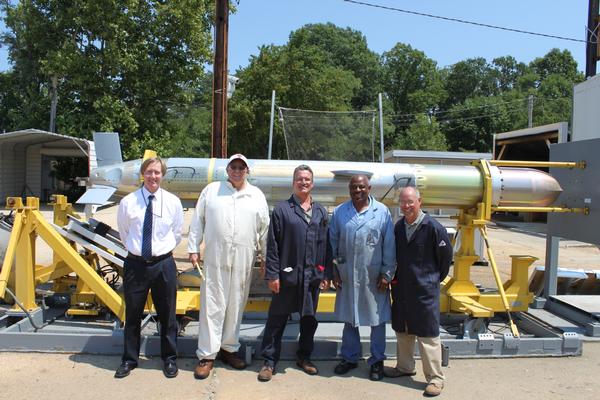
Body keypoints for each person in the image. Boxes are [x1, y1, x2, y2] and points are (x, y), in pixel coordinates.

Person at [188, 153, 270, 380]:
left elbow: (264, 229)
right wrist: (193, 248)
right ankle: (207, 355)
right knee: (212, 304)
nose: (237, 170)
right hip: (215, 255)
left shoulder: (256, 195)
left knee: (236, 303)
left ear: (247, 171)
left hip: (244, 256)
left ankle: (228, 349)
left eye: (241, 167)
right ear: (227, 170)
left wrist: (265, 257)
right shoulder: (212, 191)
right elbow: (198, 220)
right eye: (233, 166)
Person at [257, 165, 330, 382]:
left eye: (307, 179)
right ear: (293, 182)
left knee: (309, 320)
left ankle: (304, 357)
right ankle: (269, 362)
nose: (303, 182)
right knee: (276, 320)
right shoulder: (282, 210)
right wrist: (273, 275)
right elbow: (273, 246)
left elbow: (326, 245)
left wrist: (326, 274)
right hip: (287, 276)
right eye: (299, 179)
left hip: (311, 278)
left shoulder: (320, 212)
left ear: (312, 183)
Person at [115, 157, 184, 379]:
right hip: (136, 265)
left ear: (162, 175)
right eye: (149, 172)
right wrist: (139, 252)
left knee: (168, 315)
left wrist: (159, 253)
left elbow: (176, 233)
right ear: (142, 174)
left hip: (164, 264)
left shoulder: (172, 202)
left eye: (157, 172)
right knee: (133, 314)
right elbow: (124, 233)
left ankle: (170, 359)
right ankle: (129, 360)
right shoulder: (128, 202)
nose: (153, 176)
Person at [386, 186, 452, 397]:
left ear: (419, 201)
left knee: (428, 335)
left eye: (410, 202)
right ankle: (405, 367)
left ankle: (435, 379)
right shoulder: (398, 227)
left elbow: (444, 261)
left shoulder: (433, 228)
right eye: (403, 202)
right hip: (402, 288)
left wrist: (430, 280)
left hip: (424, 290)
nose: (406, 206)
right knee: (403, 331)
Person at [328, 174, 396, 381]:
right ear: (349, 190)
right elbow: (333, 242)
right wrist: (335, 269)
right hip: (348, 274)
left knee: (377, 320)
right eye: (353, 188)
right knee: (350, 318)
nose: (357, 191)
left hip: (374, 276)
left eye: (361, 187)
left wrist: (387, 273)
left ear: (369, 188)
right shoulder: (340, 212)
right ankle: (350, 358)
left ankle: (377, 361)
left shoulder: (382, 212)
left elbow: (389, 246)